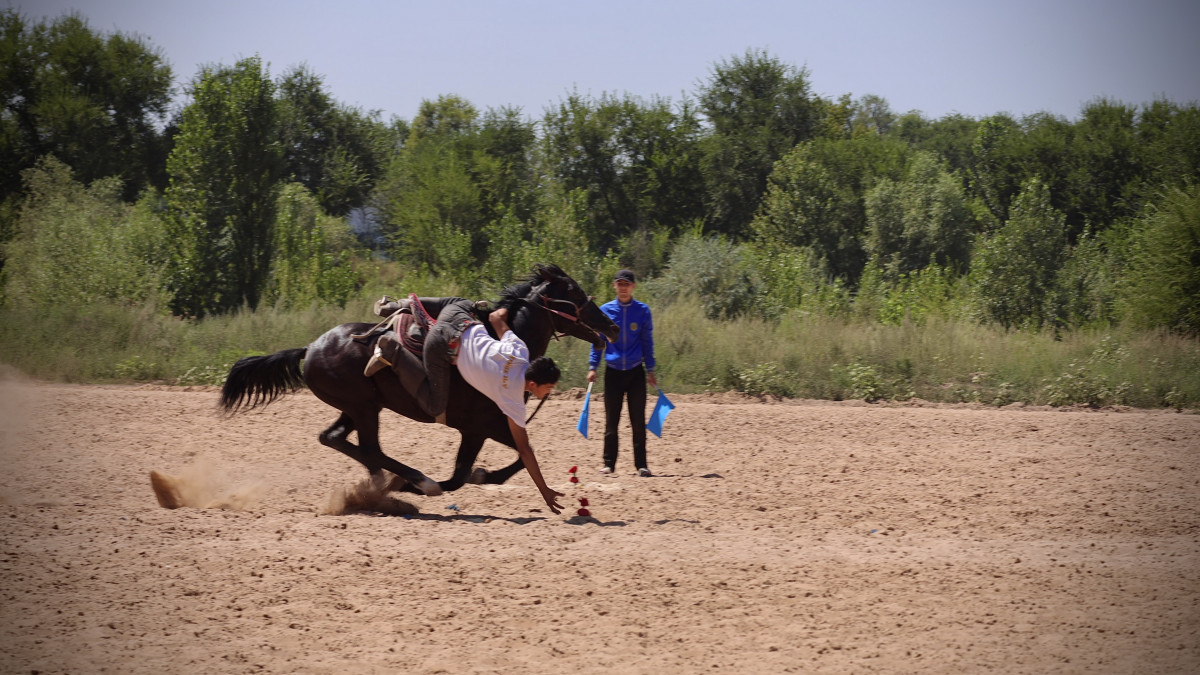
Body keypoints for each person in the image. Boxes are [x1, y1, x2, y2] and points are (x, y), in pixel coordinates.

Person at [365, 298, 565, 514]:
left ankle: (398, 304)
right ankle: (394, 353)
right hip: (440, 343)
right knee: (434, 407)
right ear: (533, 384)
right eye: (549, 387)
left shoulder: (520, 350)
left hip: (458, 315)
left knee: (460, 301)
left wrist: (513, 300)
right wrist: (544, 490)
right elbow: (524, 450)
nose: (549, 392)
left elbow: (495, 317)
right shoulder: (512, 398)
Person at [587, 269, 657, 477]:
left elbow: (647, 343)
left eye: (627, 284)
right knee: (611, 421)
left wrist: (651, 369)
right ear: (614, 286)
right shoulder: (605, 310)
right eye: (620, 284)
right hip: (613, 373)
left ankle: (641, 465)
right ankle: (609, 464)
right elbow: (597, 341)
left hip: (636, 373)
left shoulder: (643, 311)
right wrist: (593, 367)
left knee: (638, 420)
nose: (623, 287)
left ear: (633, 286)